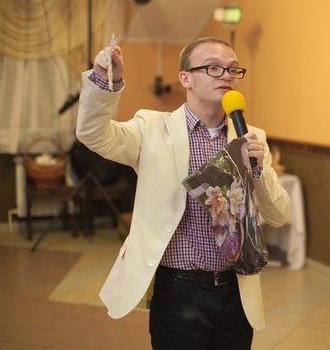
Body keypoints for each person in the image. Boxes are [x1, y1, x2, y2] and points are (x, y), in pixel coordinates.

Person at [76, 36, 290, 350]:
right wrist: (106, 81)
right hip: (180, 289)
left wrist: (258, 172)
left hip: (237, 291)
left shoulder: (251, 137)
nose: (226, 76)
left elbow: (279, 214)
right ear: (185, 78)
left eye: (232, 69)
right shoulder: (152, 128)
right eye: (213, 68)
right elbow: (93, 133)